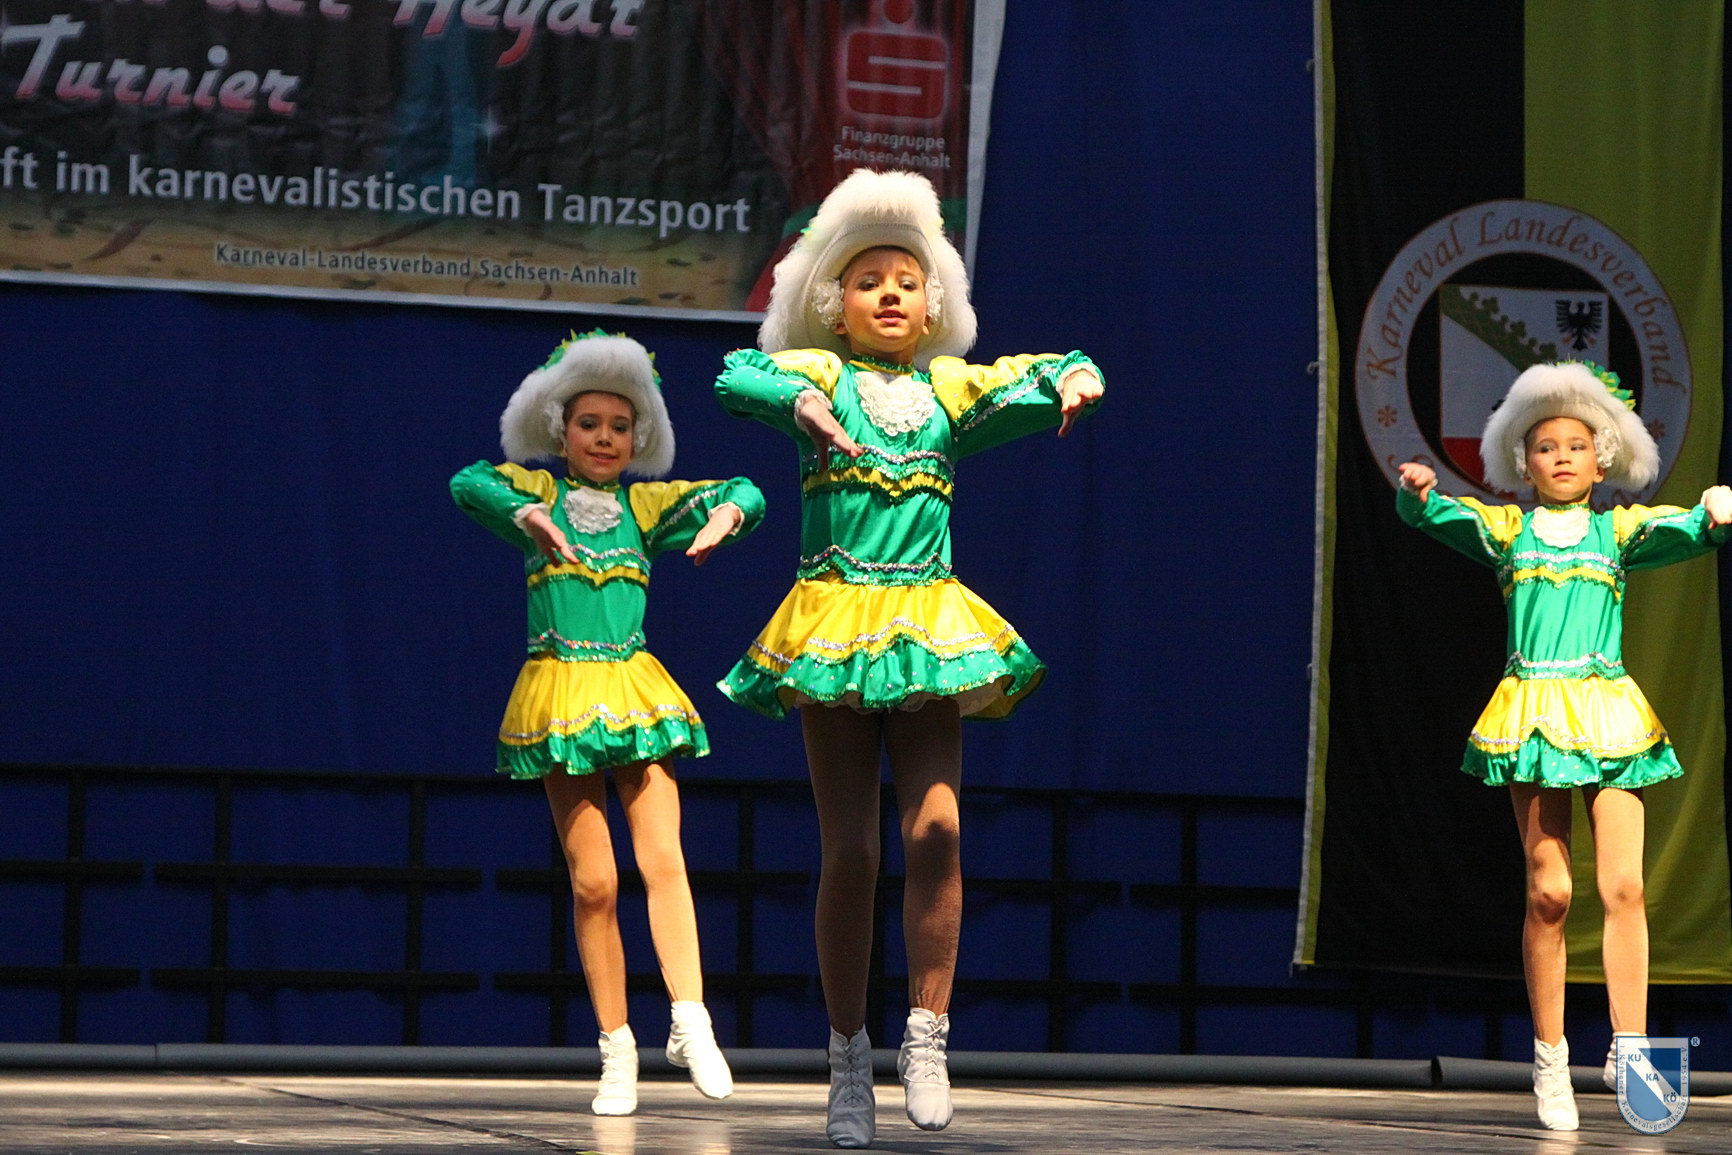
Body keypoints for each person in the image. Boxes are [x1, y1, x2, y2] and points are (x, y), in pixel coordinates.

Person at [712, 168, 1104, 1148]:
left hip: (926, 629)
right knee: (851, 850)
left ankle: (925, 1036)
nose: (889, 293)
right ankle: (848, 1057)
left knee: (936, 830)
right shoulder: (819, 375)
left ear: (932, 306)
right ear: (834, 306)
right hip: (835, 628)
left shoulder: (946, 389)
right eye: (867, 281)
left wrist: (1075, 378)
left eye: (906, 280)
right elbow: (736, 376)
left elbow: (1049, 369)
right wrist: (802, 406)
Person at [1396, 360, 1732, 1132]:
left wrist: (1715, 513)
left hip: (1607, 712)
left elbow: (1689, 529)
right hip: (1535, 714)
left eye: (1576, 446)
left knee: (1625, 887)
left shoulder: (1618, 531)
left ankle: (1630, 1045)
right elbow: (1437, 517)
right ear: (1526, 462)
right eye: (1546, 447)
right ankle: (1550, 1056)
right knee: (1549, 892)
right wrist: (1416, 493)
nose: (1562, 457)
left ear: (1601, 460)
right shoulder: (1508, 531)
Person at [451, 330, 764, 1116]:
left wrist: (729, 513)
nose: (603, 438)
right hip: (560, 692)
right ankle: (617, 1049)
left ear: (637, 437)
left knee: (663, 858)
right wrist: (525, 511)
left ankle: (690, 1019)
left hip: (632, 688)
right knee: (595, 882)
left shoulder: (643, 506)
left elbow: (745, 489)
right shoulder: (540, 494)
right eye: (588, 424)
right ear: (562, 433)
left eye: (619, 426)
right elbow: (468, 482)